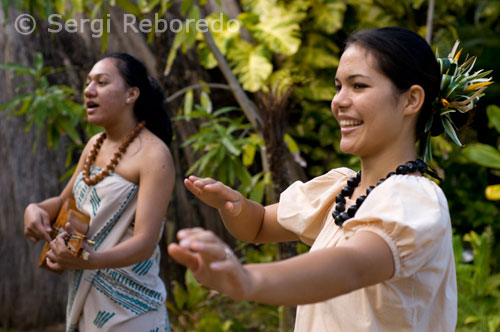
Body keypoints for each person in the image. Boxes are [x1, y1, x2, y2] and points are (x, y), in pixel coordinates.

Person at [167, 27, 466, 331]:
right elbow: (257, 226)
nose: (338, 101)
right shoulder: (341, 189)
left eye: (358, 86)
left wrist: (248, 280)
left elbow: (351, 267)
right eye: (338, 87)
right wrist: (234, 204)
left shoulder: (413, 198)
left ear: (411, 100)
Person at [24, 53, 174, 332]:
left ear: (132, 94)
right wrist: (36, 209)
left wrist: (90, 261)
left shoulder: (154, 156)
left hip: (132, 309)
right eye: (88, 82)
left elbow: (145, 242)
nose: (88, 90)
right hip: (88, 302)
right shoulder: (95, 144)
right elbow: (64, 201)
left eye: (102, 82)